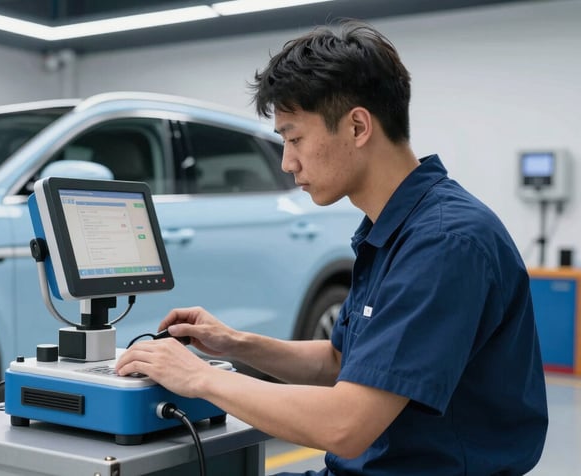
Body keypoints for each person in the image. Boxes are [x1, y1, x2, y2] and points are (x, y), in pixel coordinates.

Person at [116, 20, 548, 475]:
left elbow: (347, 424)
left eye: (294, 137)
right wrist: (233, 343)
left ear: (358, 126)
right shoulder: (393, 228)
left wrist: (199, 378)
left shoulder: (443, 243)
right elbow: (340, 361)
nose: (287, 162)